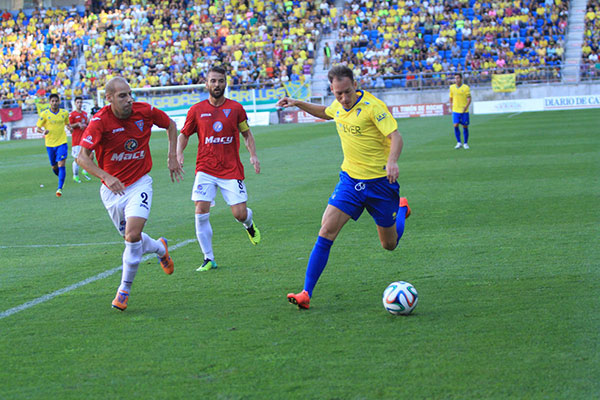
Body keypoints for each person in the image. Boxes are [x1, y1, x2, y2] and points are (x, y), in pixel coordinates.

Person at [277, 65, 411, 310]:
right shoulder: (338, 105)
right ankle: (306, 292)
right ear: (332, 90)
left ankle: (402, 209)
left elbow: (396, 136)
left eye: (347, 92)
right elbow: (327, 112)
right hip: (350, 181)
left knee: (389, 245)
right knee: (326, 229)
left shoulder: (373, 107)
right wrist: (297, 102)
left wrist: (391, 161)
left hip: (381, 184)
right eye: (338, 94)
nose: (344, 98)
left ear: (355, 85)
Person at [76, 77, 184, 311]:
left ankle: (123, 291)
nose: (129, 99)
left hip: (139, 183)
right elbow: (82, 157)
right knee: (131, 238)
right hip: (112, 190)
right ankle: (159, 248)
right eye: (123, 95)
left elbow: (171, 125)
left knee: (133, 235)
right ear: (109, 98)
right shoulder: (99, 121)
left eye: (130, 94)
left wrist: (172, 156)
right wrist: (105, 175)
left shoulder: (145, 112)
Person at [177, 66, 261, 272]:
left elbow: (247, 134)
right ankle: (208, 258)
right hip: (205, 168)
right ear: (206, 84)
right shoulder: (196, 110)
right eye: (213, 81)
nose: (217, 85)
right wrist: (178, 153)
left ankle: (249, 225)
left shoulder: (236, 109)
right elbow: (184, 134)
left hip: (231, 169)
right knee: (200, 211)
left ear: (225, 83)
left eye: (220, 81)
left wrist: (253, 155)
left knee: (240, 214)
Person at [36, 93, 70, 197]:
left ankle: (59, 188)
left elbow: (67, 124)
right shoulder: (45, 114)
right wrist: (43, 132)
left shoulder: (64, 113)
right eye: (52, 101)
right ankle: (61, 177)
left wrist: (70, 128)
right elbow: (38, 128)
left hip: (62, 142)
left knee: (61, 165)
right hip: (50, 144)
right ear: (49, 102)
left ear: (59, 102)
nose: (54, 103)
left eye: (56, 101)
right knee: (54, 167)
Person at [69, 96, 92, 183]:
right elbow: (69, 125)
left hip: (84, 140)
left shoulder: (85, 114)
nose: (79, 104)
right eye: (78, 102)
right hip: (76, 140)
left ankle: (85, 171)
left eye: (80, 102)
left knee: (89, 156)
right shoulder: (72, 114)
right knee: (77, 159)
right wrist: (77, 124)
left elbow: (87, 124)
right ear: (75, 104)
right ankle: (75, 176)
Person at [449, 73, 472, 149]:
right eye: (455, 78)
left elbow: (469, 99)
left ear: (461, 79)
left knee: (465, 126)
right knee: (455, 125)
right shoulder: (452, 87)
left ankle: (465, 143)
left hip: (464, 110)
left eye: (458, 78)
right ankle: (459, 142)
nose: (456, 79)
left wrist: (466, 107)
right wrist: (451, 105)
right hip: (455, 110)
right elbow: (451, 97)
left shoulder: (466, 88)